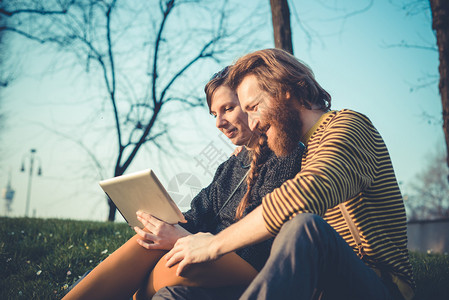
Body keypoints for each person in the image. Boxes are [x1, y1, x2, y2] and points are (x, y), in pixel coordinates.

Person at [165, 49, 415, 300]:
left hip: (379, 288)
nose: (252, 123)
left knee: (305, 227)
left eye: (253, 107)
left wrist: (213, 245)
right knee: (177, 295)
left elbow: (305, 193)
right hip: (315, 288)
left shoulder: (349, 126)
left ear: (285, 90)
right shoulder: (304, 153)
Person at [63, 66, 304, 300]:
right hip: (213, 254)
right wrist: (165, 225)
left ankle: (119, 290)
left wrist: (181, 239)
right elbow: (199, 212)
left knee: (172, 260)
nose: (219, 122)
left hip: (247, 264)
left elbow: (259, 237)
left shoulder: (284, 155)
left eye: (228, 109)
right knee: (150, 238)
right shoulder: (231, 165)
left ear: (251, 104)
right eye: (214, 114)